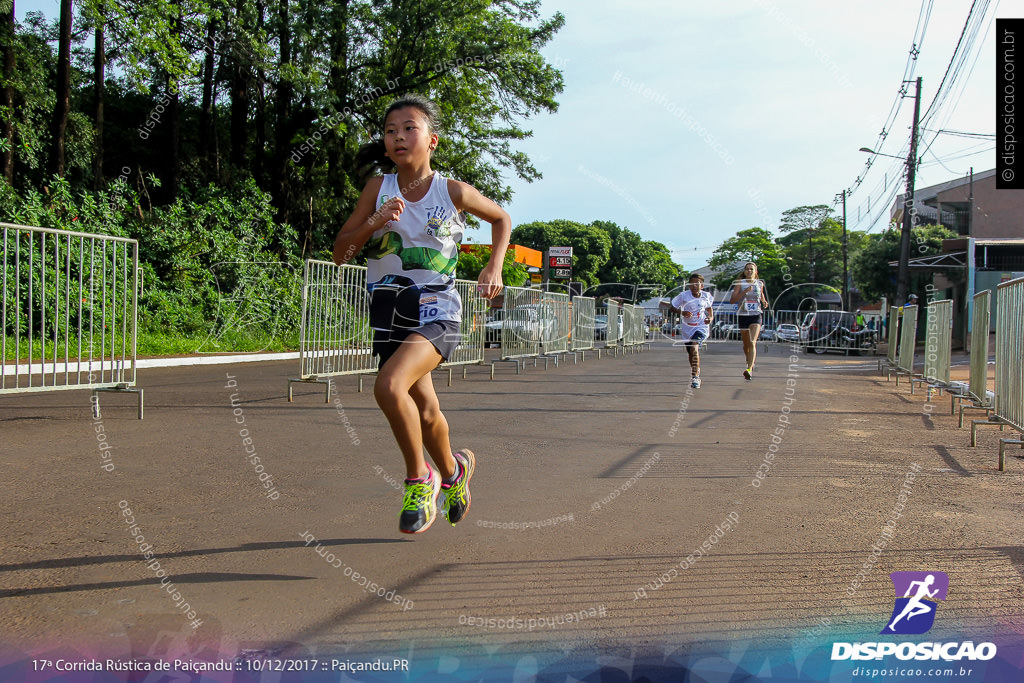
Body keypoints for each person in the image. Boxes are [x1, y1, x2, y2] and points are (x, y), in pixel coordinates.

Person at [332, 93, 511, 534]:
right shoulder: (378, 188)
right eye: (390, 130)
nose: (397, 137)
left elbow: (502, 219)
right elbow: (341, 253)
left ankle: (420, 479)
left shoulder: (451, 191)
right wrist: (375, 221)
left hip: (439, 311)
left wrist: (494, 265)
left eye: (409, 128)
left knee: (390, 386)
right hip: (391, 312)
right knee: (426, 411)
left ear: (431, 140)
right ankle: (454, 473)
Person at [670, 273, 714, 388]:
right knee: (691, 352)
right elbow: (672, 307)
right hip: (687, 328)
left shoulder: (706, 295)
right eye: (692, 283)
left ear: (702, 285)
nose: (694, 286)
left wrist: (710, 317)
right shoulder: (683, 296)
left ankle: (695, 377)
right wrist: (682, 312)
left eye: (697, 283)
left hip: (701, 327)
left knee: (694, 347)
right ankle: (696, 370)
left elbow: (709, 309)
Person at [729, 261, 769, 380]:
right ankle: (748, 360)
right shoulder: (740, 283)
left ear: (755, 271)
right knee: (746, 344)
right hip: (743, 315)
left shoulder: (759, 283)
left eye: (751, 269)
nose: (749, 271)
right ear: (744, 271)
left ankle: (749, 369)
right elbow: (732, 300)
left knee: (752, 341)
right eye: (747, 269)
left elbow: (761, 295)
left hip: (756, 315)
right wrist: (744, 292)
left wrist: (764, 302)